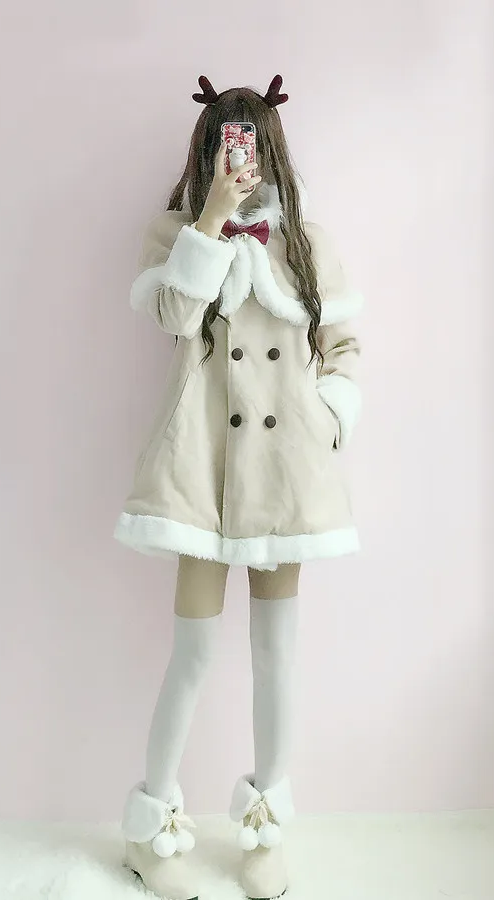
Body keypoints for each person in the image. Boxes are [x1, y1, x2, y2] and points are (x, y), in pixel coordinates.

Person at [115, 74, 363, 900]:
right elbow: (176, 318)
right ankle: (151, 829)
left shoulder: (308, 243)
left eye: (251, 140)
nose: (240, 155)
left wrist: (329, 415)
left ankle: (265, 829)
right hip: (203, 470)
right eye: (227, 141)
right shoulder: (176, 233)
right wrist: (212, 220)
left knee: (275, 653)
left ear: (272, 147)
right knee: (191, 654)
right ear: (208, 149)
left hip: (284, 469)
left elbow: (343, 346)